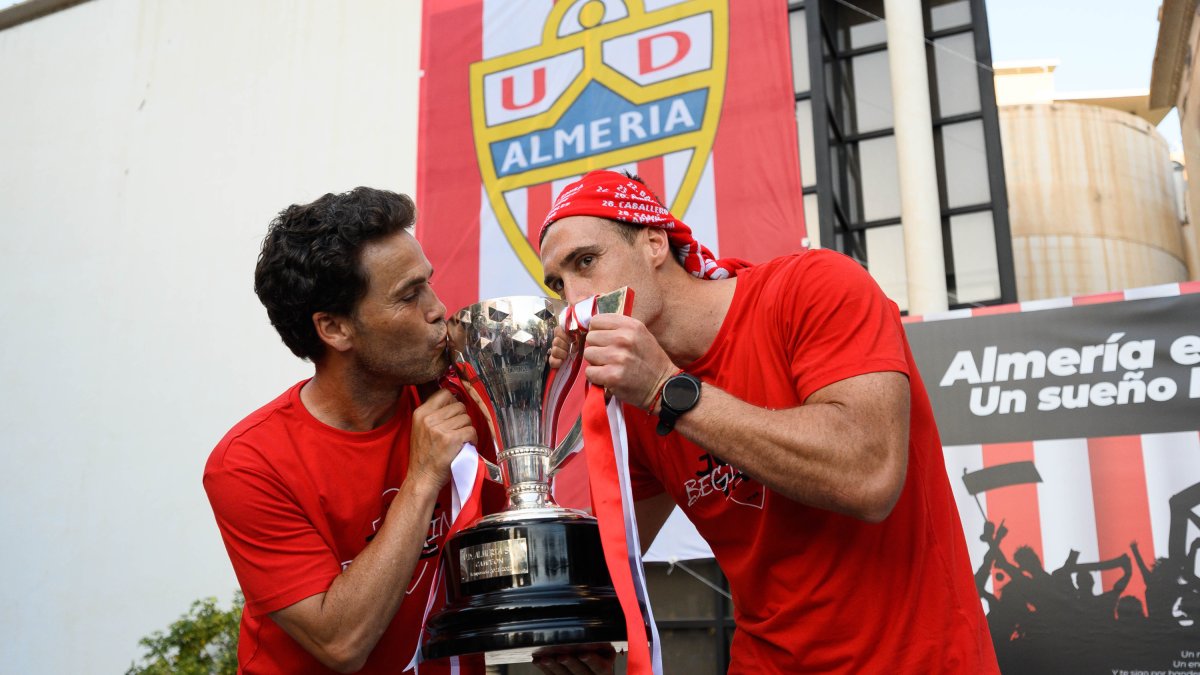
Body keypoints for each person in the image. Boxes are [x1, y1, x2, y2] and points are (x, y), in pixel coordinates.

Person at [538, 170, 1000, 673]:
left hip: (916, 661)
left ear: (653, 243)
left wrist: (667, 391)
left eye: (587, 261)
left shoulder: (814, 287)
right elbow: (615, 556)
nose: (574, 299)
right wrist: (577, 625)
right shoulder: (633, 401)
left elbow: (869, 476)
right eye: (559, 283)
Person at [203, 187, 488, 674]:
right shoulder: (249, 463)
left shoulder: (461, 394)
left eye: (428, 284)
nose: (439, 309)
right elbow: (340, 643)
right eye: (408, 295)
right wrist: (421, 480)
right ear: (334, 329)